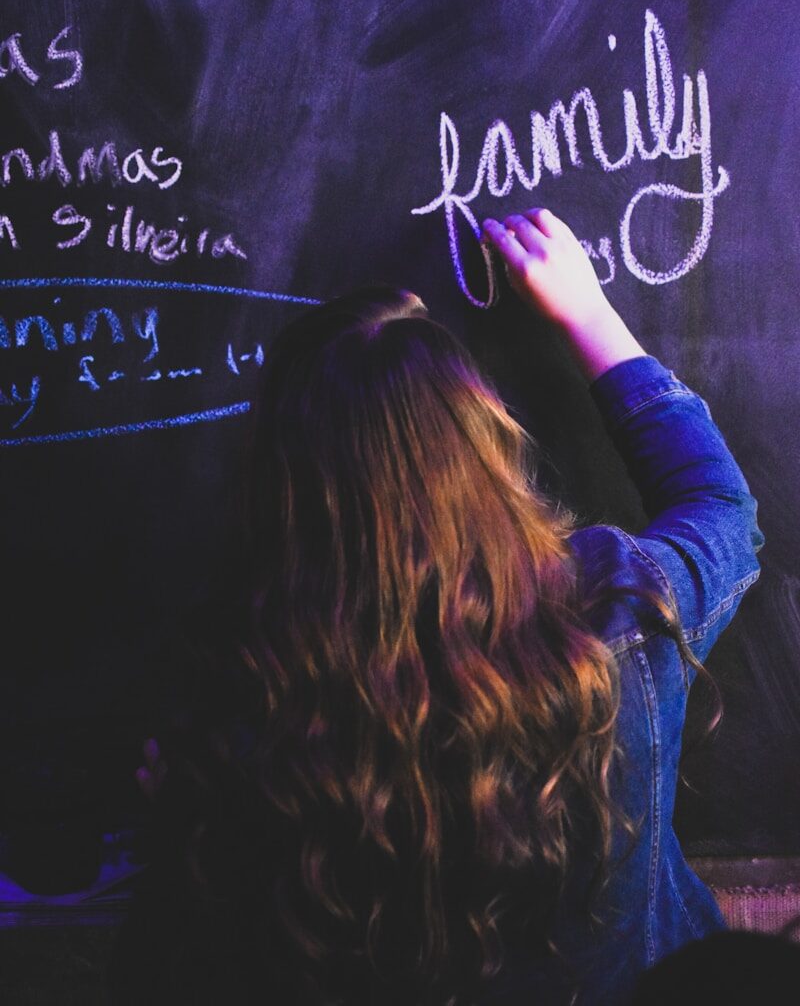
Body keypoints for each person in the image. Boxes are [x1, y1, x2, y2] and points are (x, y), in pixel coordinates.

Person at [111, 207, 762, 1005]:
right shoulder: (610, 614)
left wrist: (182, 816)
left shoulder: (249, 709)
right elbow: (722, 506)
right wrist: (591, 318)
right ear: (484, 442)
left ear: (282, 488)